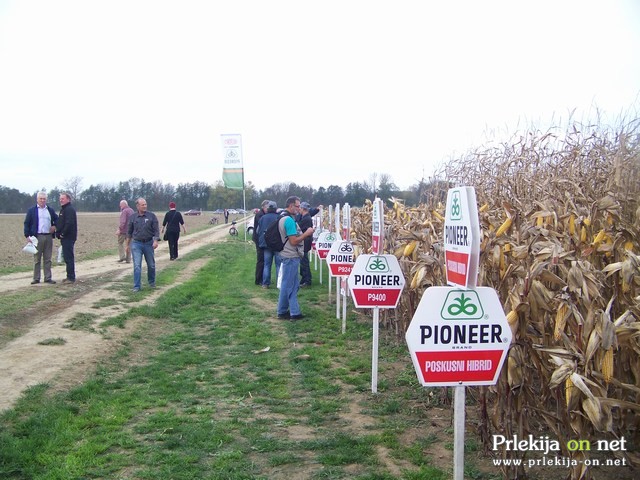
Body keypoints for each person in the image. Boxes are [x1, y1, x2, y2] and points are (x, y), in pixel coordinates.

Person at [276, 196, 314, 320]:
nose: (299, 208)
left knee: (291, 285)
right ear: (291, 206)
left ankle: (290, 311)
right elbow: (294, 241)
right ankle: (288, 312)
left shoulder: (282, 217)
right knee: (289, 285)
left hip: (287, 255)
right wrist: (306, 234)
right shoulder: (289, 221)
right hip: (291, 256)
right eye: (297, 206)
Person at [23, 191, 58, 285]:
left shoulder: (50, 210)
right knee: (37, 259)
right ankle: (36, 278)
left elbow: (57, 219)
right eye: (40, 199)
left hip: (48, 237)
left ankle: (48, 278)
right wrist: (27, 236)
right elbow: (26, 223)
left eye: (44, 199)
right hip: (37, 237)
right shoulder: (32, 210)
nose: (42, 200)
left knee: (48, 259)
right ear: (37, 199)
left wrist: (54, 226)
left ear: (46, 200)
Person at [126, 198, 160, 292]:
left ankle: (151, 282)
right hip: (136, 243)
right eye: (142, 205)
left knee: (151, 265)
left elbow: (156, 230)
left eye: (145, 204)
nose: (145, 206)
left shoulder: (152, 216)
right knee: (137, 265)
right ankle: (137, 286)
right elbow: (129, 232)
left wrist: (156, 241)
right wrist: (127, 245)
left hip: (149, 243)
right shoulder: (133, 217)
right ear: (137, 206)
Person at [297, 202, 321, 287]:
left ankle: (307, 280)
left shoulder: (306, 219)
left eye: (300, 208)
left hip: (305, 242)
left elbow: (298, 227)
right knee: (303, 261)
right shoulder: (305, 217)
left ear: (303, 209)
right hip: (305, 242)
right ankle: (304, 278)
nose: (299, 209)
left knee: (304, 262)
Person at [257, 201, 281, 289]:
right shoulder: (279, 217)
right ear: (275, 209)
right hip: (277, 244)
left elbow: (257, 231)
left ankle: (265, 284)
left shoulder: (262, 218)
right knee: (278, 264)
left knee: (267, 264)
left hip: (266, 244)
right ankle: (279, 284)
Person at [55, 192, 77, 283]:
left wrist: (63, 234)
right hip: (65, 238)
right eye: (60, 198)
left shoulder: (69, 210)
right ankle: (69, 276)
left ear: (68, 199)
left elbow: (69, 223)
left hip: (68, 237)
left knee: (69, 257)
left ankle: (71, 277)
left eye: (63, 198)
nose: (61, 200)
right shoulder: (64, 209)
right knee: (67, 257)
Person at [253, 200, 269, 285]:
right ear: (263, 207)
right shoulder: (260, 215)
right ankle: (258, 279)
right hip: (259, 239)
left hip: (261, 239)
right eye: (267, 207)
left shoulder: (263, 214)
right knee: (260, 260)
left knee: (263, 259)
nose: (268, 209)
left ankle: (262, 278)